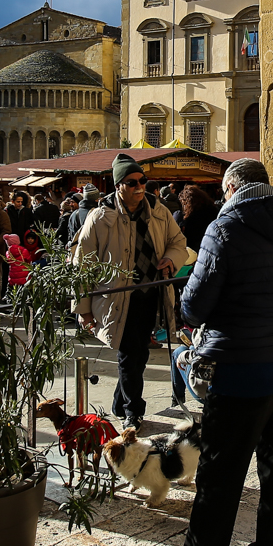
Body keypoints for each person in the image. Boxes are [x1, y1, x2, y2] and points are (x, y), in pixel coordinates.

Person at [151, 158, 273, 546]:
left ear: (230, 189)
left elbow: (195, 305)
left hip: (239, 369)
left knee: (219, 477)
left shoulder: (225, 228)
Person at [72, 154, 187, 430]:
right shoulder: (100, 218)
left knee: (139, 355)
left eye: (142, 180)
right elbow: (82, 266)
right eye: (132, 182)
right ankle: (133, 411)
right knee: (129, 355)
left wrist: (171, 259)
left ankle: (119, 403)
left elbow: (178, 241)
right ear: (118, 186)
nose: (139, 186)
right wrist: (83, 309)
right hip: (118, 298)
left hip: (150, 295)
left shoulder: (158, 210)